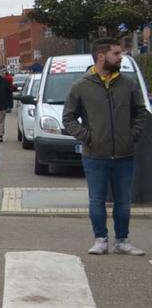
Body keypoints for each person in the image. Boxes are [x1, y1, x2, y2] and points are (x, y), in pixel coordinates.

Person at [62, 38, 149, 256]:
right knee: (97, 200)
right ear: (101, 56)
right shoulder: (81, 86)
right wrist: (87, 137)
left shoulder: (128, 84)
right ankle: (100, 239)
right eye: (116, 54)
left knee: (123, 201)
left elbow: (140, 112)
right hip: (95, 155)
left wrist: (132, 136)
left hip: (124, 154)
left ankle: (122, 240)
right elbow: (69, 117)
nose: (121, 57)